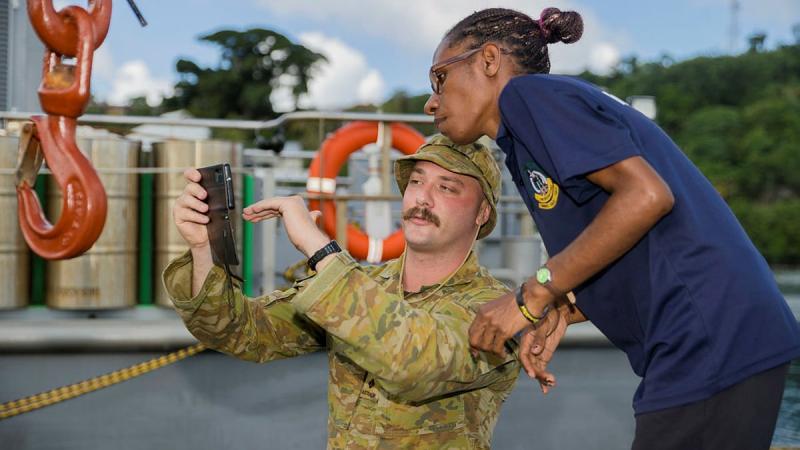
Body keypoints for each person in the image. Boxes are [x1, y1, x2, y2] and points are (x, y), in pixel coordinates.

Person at [422, 6, 800, 450]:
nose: (431, 102)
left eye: (439, 79)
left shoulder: (529, 98)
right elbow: (626, 234)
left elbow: (647, 196)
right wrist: (562, 305)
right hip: (716, 335)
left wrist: (533, 293)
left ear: (488, 60)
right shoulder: (528, 132)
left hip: (707, 336)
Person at [162, 135, 519, 449]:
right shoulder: (366, 285)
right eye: (416, 181)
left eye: (446, 187)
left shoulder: (502, 309)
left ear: (482, 212)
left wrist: (320, 250)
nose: (422, 198)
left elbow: (415, 364)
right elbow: (239, 331)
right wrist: (202, 249)